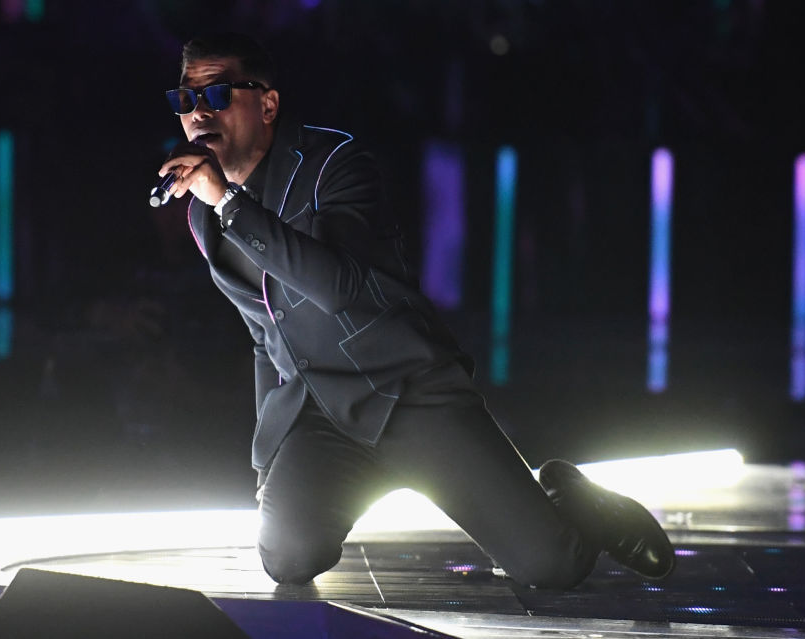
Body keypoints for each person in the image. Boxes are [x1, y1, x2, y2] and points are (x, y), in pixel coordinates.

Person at [157, 33, 675, 589]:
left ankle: (566, 492)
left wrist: (229, 202)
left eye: (215, 95)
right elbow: (265, 334)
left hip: (407, 392)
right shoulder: (205, 216)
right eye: (185, 101)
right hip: (322, 416)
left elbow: (338, 287)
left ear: (267, 104)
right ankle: (347, 479)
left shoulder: (335, 162)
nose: (198, 114)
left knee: (553, 568)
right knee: (287, 558)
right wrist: (269, 460)